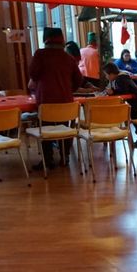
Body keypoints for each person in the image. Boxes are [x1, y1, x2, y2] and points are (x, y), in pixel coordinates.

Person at [28, 27, 84, 170]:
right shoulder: (69, 58)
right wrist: (68, 90)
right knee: (64, 129)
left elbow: (33, 74)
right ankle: (65, 157)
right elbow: (79, 79)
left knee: (46, 130)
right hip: (66, 101)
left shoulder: (40, 55)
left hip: (45, 101)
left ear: (45, 40)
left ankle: (48, 160)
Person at [103, 63, 137, 148]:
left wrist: (112, 92)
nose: (106, 77)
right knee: (136, 120)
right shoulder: (120, 77)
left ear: (111, 74)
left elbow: (123, 92)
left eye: (106, 75)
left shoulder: (121, 79)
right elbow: (121, 90)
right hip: (136, 101)